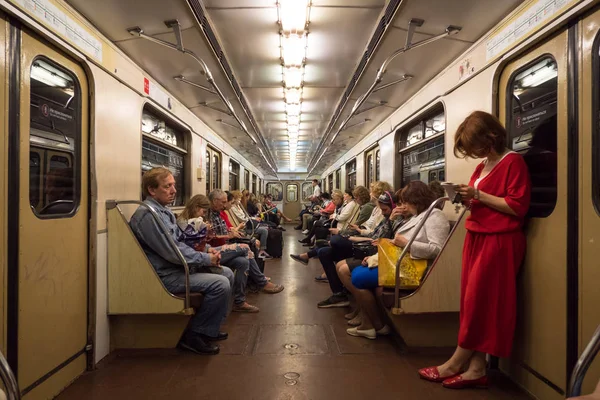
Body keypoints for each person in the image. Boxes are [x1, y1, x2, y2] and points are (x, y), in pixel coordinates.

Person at [419, 111, 531, 389]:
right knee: (472, 302)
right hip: (477, 234)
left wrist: (478, 195)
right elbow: (480, 202)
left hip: (499, 239)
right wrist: (465, 198)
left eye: (475, 147)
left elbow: (517, 206)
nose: (473, 153)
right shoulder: (482, 167)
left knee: (481, 300)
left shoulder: (512, 162)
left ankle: (456, 362)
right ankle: (476, 367)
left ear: (490, 137)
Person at [129, 167, 232, 355]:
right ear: (152, 190)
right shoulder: (148, 216)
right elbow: (173, 252)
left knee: (227, 272)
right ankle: (193, 336)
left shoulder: (163, 212)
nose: (174, 190)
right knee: (221, 283)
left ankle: (209, 328)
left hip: (176, 269)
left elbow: (181, 243)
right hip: (165, 275)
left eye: (174, 185)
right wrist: (206, 259)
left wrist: (205, 250)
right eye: (168, 186)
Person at [338, 181, 449, 339]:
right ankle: (370, 325)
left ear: (415, 200)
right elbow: (398, 240)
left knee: (358, 277)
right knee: (358, 273)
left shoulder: (435, 216)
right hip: (402, 261)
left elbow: (438, 249)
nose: (403, 205)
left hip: (414, 267)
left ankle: (374, 325)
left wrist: (406, 244)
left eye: (406, 202)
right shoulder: (419, 215)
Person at [207, 190, 284, 311]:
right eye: (223, 202)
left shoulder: (219, 213)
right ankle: (261, 282)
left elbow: (223, 230)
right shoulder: (208, 216)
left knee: (243, 262)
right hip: (215, 250)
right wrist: (229, 235)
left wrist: (231, 232)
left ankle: (239, 302)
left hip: (225, 246)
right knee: (246, 247)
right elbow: (210, 237)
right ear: (214, 201)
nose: (225, 204)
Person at [229, 190, 272, 258]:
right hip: (245, 227)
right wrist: (253, 219)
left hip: (248, 224)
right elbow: (242, 218)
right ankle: (262, 251)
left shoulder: (239, 206)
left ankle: (263, 250)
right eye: (239, 198)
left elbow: (245, 216)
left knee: (266, 227)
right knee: (264, 231)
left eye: (240, 198)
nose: (240, 200)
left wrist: (253, 219)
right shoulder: (233, 208)